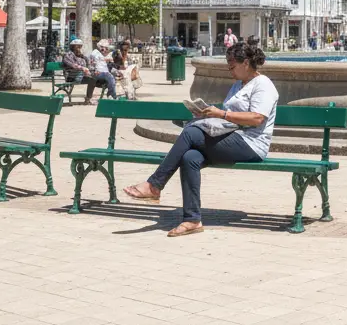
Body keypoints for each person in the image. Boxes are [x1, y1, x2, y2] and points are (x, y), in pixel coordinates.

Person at [123, 42, 279, 237]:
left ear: (246, 63)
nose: (230, 71)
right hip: (231, 137)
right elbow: (230, 116)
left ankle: (155, 184)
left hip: (251, 144)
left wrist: (221, 114)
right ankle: (192, 220)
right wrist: (206, 114)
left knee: (190, 133)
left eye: (232, 66)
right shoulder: (238, 85)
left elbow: (257, 118)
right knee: (190, 157)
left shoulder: (263, 85)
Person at [62, 38, 104, 104]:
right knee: (92, 79)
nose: (79, 47)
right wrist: (82, 68)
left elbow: (88, 65)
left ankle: (88, 98)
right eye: (78, 46)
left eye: (80, 46)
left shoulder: (81, 56)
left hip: (81, 76)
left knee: (94, 79)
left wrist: (94, 69)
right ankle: (89, 98)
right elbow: (72, 65)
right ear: (73, 46)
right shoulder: (68, 55)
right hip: (72, 76)